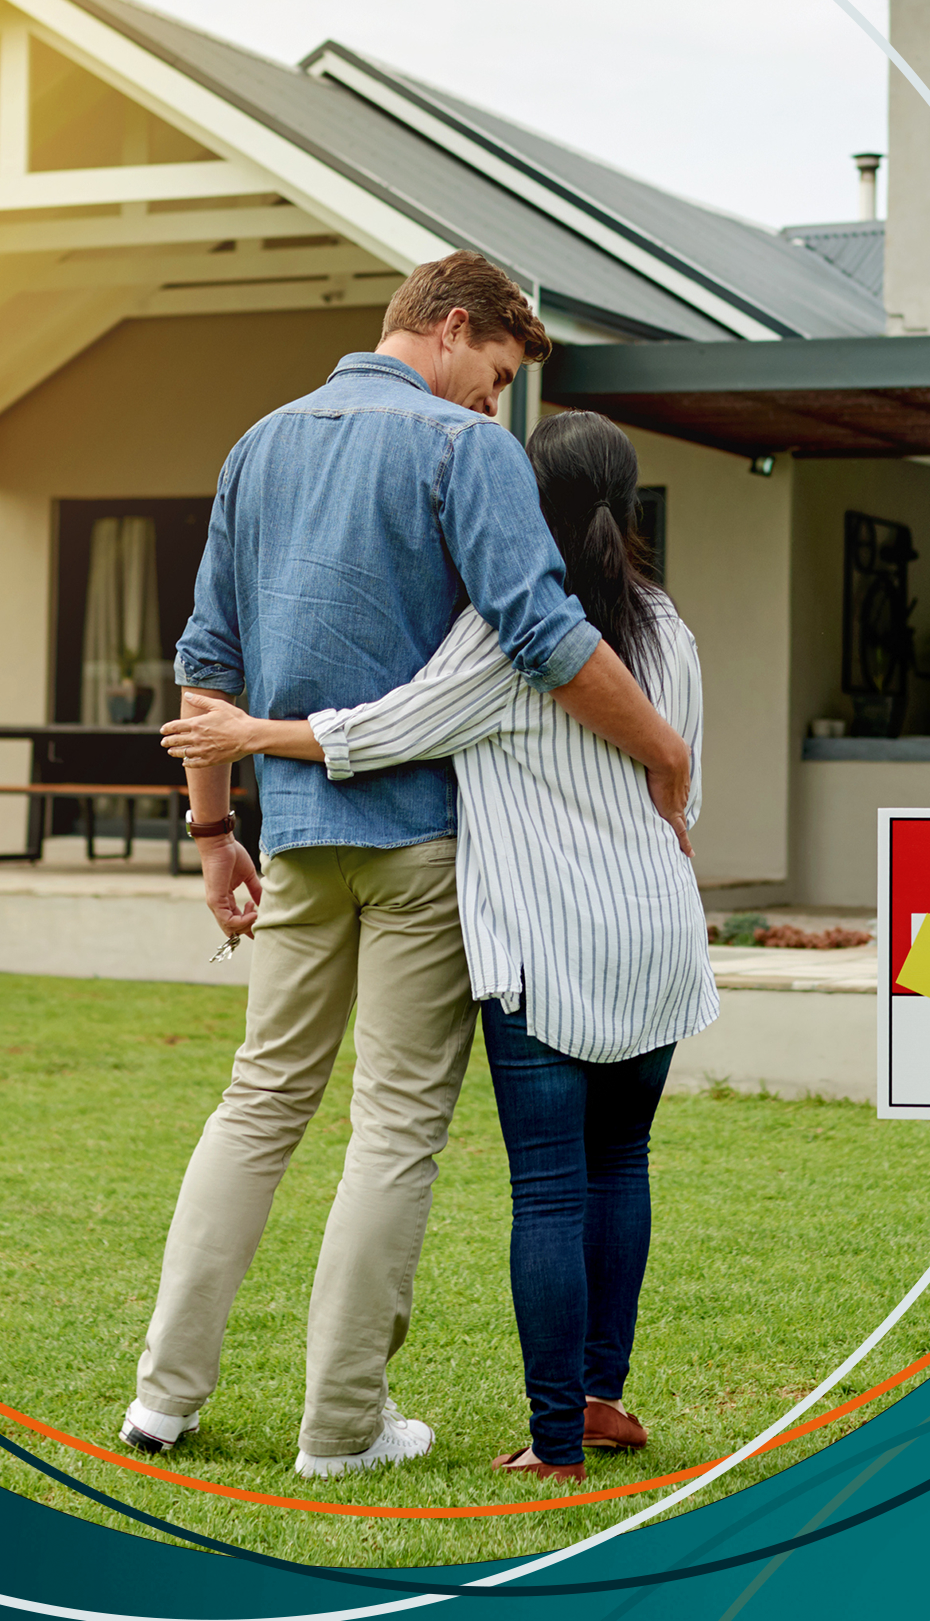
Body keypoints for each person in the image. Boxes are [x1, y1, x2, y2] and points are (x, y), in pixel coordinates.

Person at [127, 254, 694, 1481]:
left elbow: (207, 655)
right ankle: (339, 1429)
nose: (492, 405)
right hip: (420, 842)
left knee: (257, 1101)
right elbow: (541, 633)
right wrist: (662, 747)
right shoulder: (461, 448)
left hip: (292, 834)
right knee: (391, 1130)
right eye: (493, 377)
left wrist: (216, 832)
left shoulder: (259, 442)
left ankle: (162, 1397)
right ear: (450, 329)